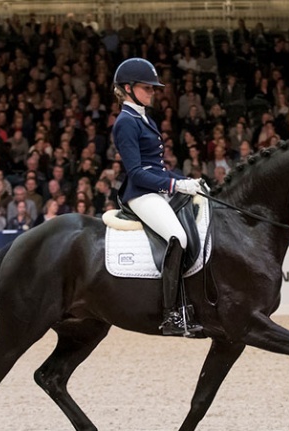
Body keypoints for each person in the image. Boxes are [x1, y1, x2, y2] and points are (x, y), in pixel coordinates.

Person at [112, 57, 203, 336]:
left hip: (156, 187)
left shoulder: (143, 117)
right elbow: (137, 173)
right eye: (147, 88)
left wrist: (184, 180)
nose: (152, 92)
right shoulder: (125, 122)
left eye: (153, 88)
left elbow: (158, 167)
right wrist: (175, 187)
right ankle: (170, 314)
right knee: (178, 236)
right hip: (141, 193)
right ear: (128, 88)